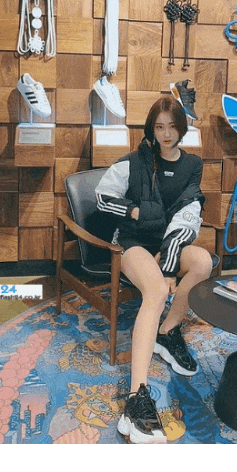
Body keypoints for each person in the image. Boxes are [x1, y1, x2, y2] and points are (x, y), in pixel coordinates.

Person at [95, 94, 213, 444]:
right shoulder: (134, 162)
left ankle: (167, 330)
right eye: (159, 127)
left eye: (172, 127)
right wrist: (133, 211)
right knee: (158, 290)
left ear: (182, 128)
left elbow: (189, 213)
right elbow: (102, 197)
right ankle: (137, 397)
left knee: (203, 262)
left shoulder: (193, 165)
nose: (166, 134)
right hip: (132, 243)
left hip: (167, 243)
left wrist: (170, 260)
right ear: (151, 129)